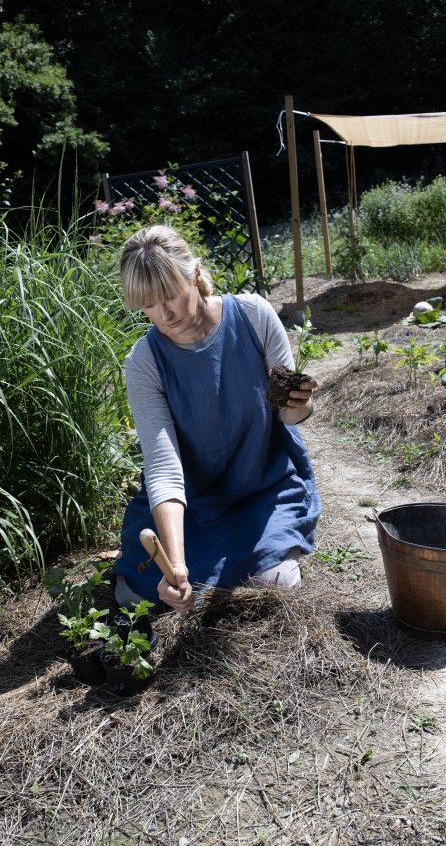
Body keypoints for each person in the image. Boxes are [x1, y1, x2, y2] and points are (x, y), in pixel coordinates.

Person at [113, 225, 322, 614]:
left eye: (170, 296)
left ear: (195, 273)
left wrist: (299, 406)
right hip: (192, 503)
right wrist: (175, 565)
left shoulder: (254, 316)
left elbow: (290, 415)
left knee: (275, 583)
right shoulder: (145, 362)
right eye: (148, 304)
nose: (163, 315)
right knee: (136, 593)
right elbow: (163, 469)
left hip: (261, 487)